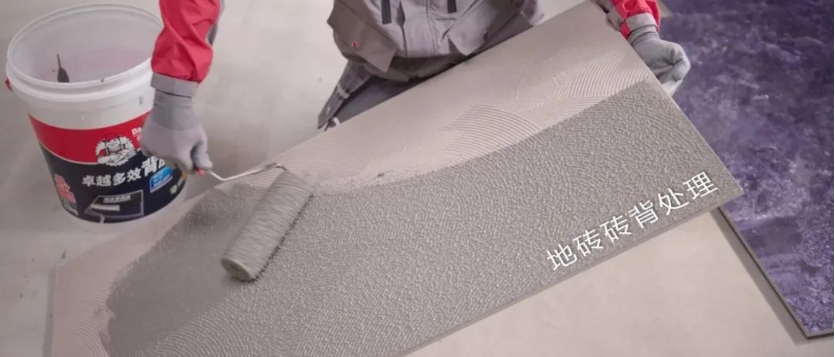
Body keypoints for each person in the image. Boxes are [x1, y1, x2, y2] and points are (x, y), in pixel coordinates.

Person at [140, 0, 690, 173]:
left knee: (508, 176)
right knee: (345, 181)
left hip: (502, 41)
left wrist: (637, 26)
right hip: (387, 58)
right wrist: (173, 96)